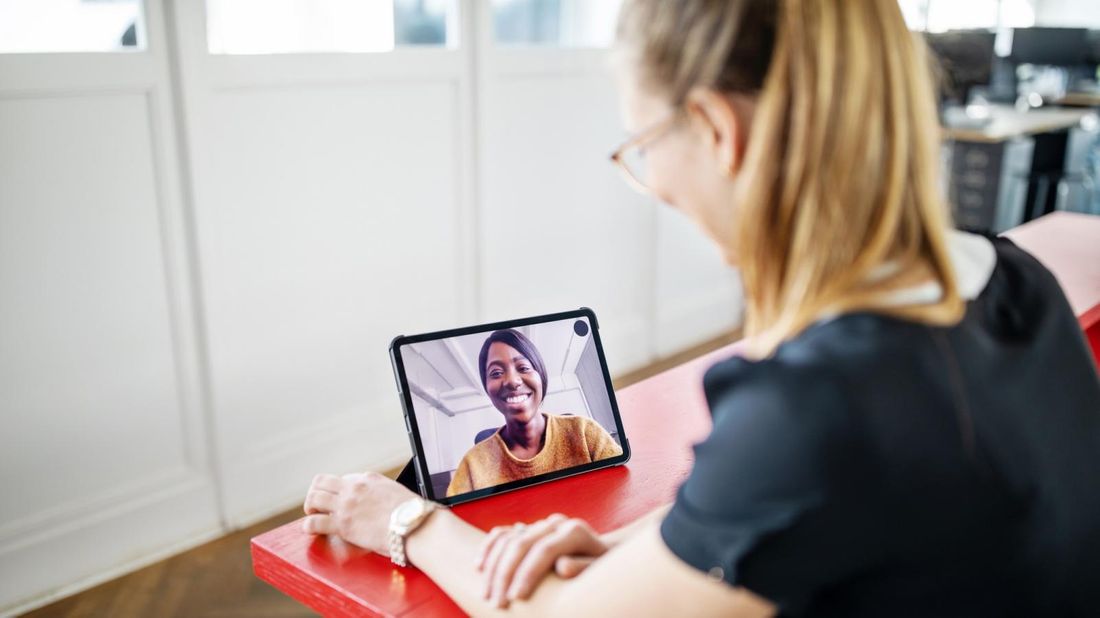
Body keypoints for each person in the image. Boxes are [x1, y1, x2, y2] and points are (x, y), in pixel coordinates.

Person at [302, 1, 1100, 615]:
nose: (655, 183)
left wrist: (407, 521)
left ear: (718, 129)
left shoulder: (820, 403)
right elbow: (816, 511)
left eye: (643, 147)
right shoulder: (1013, 276)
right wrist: (636, 545)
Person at [445, 329, 622, 497]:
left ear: (541, 376)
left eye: (523, 368)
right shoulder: (472, 464)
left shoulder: (584, 432)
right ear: (487, 388)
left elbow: (622, 490)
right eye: (496, 373)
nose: (513, 381)